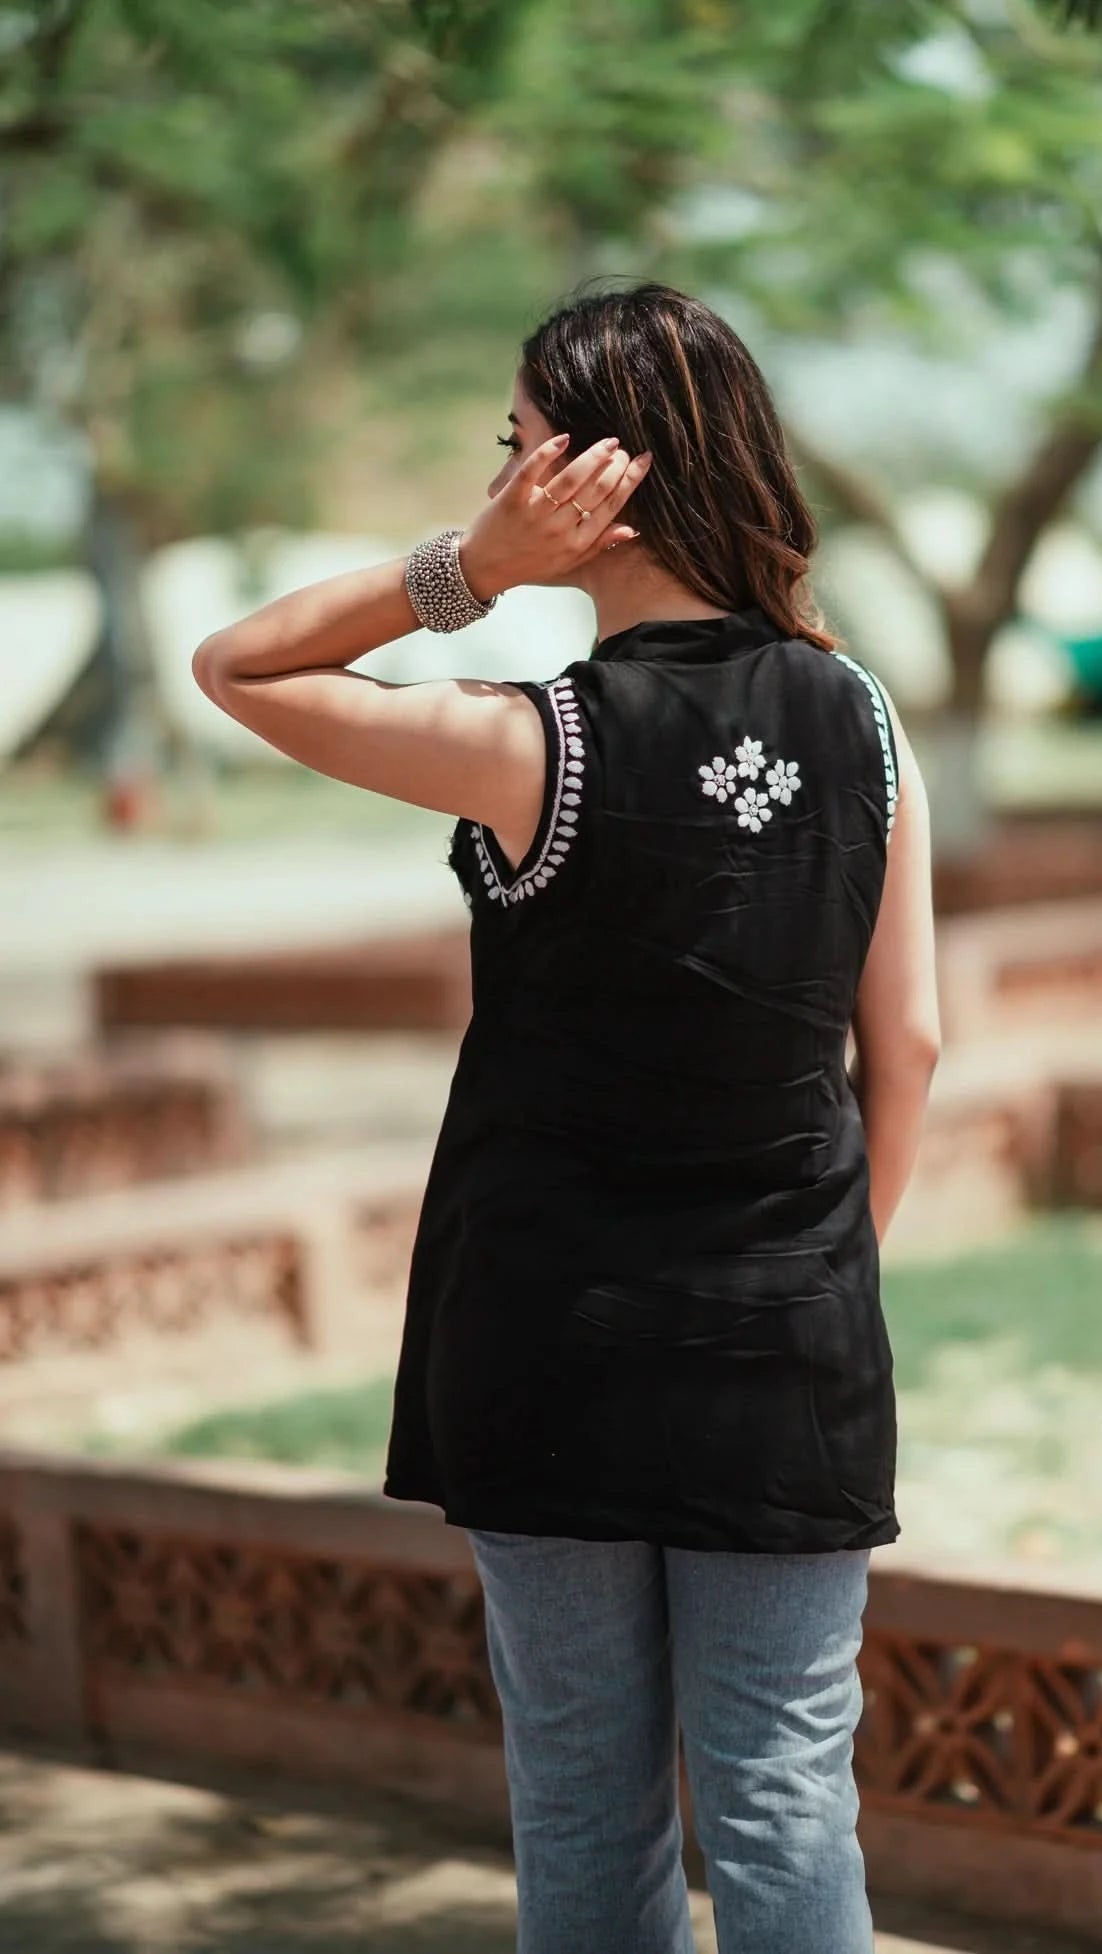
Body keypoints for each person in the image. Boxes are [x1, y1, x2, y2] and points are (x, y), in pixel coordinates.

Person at [193, 280, 941, 1954]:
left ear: (600, 477)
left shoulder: (532, 744)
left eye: (517, 448)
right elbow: (913, 1046)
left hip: (550, 1344)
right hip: (786, 1356)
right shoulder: (870, 723)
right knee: (784, 1801)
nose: (500, 478)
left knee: (590, 1803)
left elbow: (235, 664)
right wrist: (820, 1287)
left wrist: (467, 570)